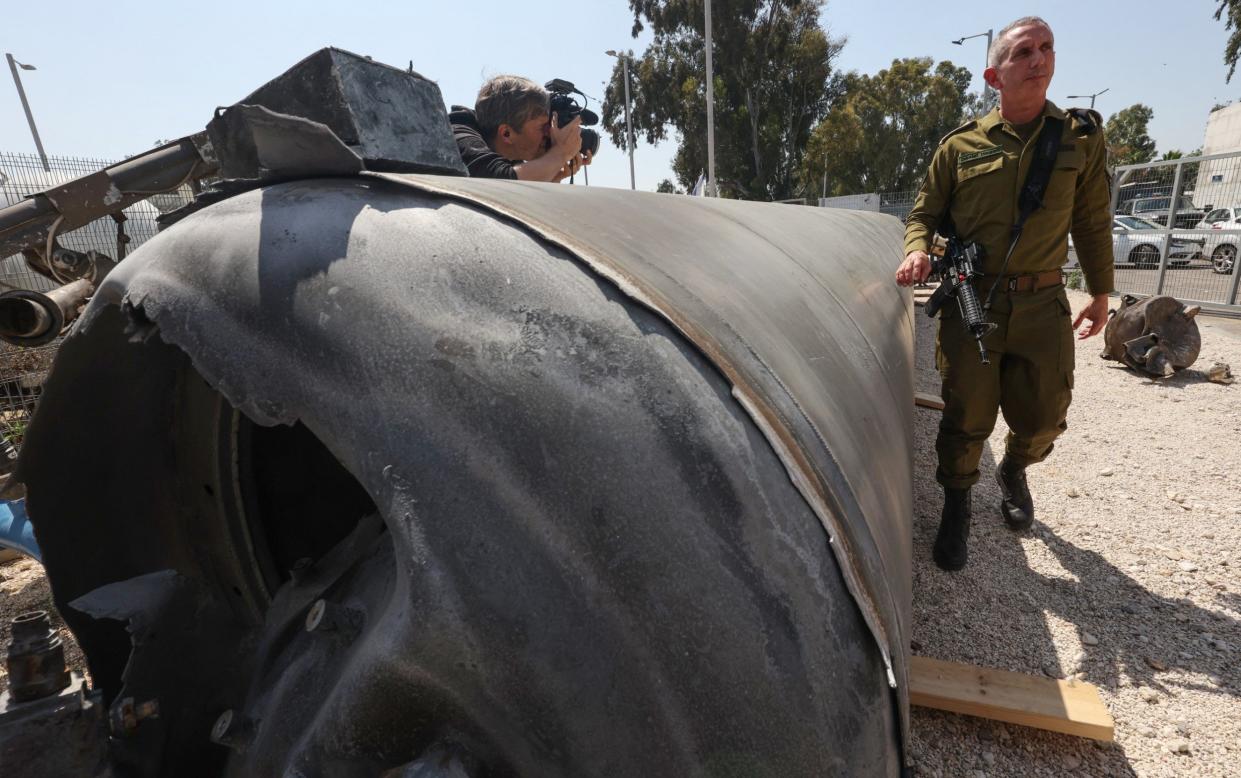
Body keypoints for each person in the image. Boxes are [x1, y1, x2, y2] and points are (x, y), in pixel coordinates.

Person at [894, 16, 1113, 571]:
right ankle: (957, 505)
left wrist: (1101, 292)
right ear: (995, 74)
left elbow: (1092, 221)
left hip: (1043, 304)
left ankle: (1014, 467)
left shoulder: (1079, 138)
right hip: (975, 300)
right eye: (1023, 52)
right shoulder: (959, 147)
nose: (1039, 59)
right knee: (966, 415)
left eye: (1046, 48)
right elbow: (923, 213)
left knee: (1044, 416)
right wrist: (917, 249)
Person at [448, 75, 591, 182]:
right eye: (543, 127)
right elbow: (497, 182)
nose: (549, 133)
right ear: (506, 134)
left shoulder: (512, 158)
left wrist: (552, 176)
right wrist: (560, 153)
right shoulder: (458, 135)